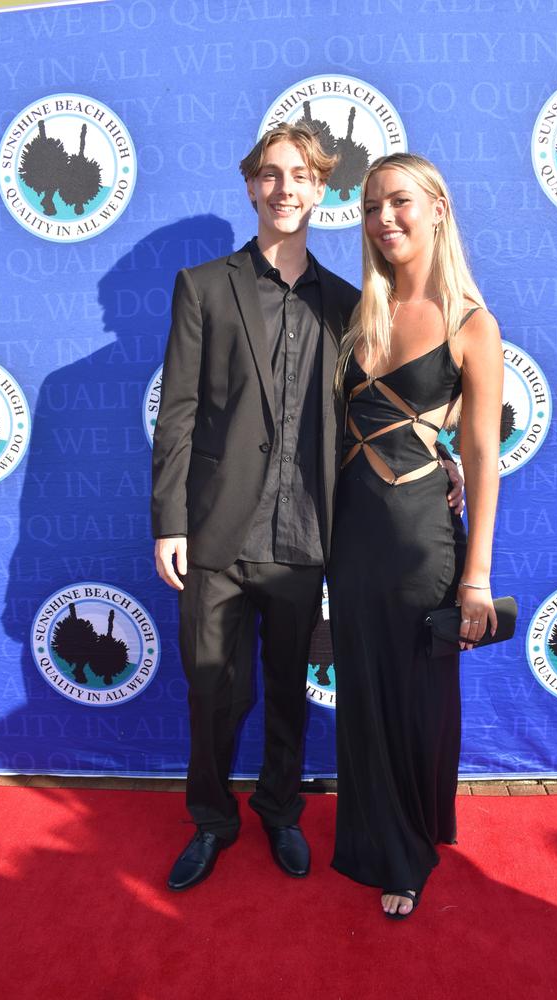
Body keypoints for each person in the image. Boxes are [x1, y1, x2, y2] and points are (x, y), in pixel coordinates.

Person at [152, 126, 463, 893]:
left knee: (287, 685)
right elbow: (180, 414)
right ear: (251, 186)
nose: (284, 187)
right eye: (269, 174)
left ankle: (282, 813)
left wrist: (442, 457)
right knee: (212, 688)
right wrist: (169, 520)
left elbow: (381, 408)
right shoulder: (203, 287)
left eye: (299, 175)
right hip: (218, 532)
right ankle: (211, 820)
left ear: (320, 190)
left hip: (308, 534)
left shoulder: (354, 306)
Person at [327, 153, 503, 919]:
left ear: (437, 207)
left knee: (418, 695)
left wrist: (476, 578)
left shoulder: (473, 323)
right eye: (370, 207)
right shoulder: (353, 314)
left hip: (424, 537)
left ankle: (408, 850)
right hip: (351, 534)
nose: (384, 218)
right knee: (363, 689)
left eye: (399, 201)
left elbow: (483, 457)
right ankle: (371, 833)